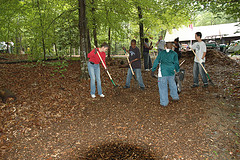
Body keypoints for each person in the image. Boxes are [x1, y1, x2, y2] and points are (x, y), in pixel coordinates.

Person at [151, 42, 180, 107]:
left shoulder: (161, 53)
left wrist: (153, 70)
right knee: (172, 83)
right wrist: (177, 70)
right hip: (171, 71)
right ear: (172, 47)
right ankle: (175, 96)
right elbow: (176, 63)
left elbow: (156, 61)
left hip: (163, 72)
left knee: (162, 86)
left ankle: (164, 102)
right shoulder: (174, 54)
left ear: (165, 46)